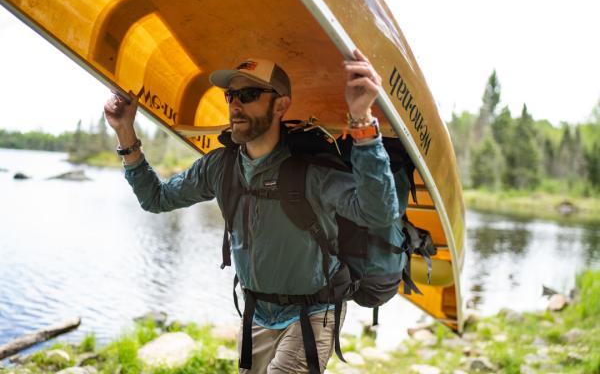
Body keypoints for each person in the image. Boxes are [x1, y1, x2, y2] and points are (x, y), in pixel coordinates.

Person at [104, 49, 400, 373]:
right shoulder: (220, 167)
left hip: (314, 313)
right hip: (256, 313)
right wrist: (124, 132)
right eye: (231, 95)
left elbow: (377, 214)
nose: (235, 104)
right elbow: (156, 199)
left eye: (248, 94)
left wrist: (361, 119)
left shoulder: (312, 172)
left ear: (281, 105)